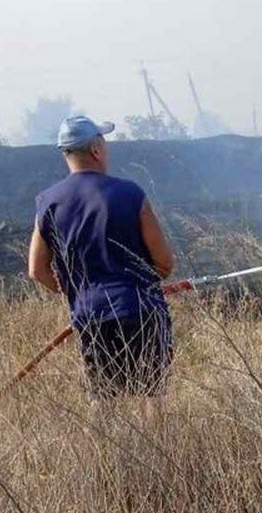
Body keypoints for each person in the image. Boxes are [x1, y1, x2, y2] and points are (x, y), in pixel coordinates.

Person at [28, 114, 177, 403]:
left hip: (89, 314)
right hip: (140, 309)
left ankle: (107, 449)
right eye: (104, 143)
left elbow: (36, 270)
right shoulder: (129, 194)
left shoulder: (47, 202)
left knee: (103, 400)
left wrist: (76, 292)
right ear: (96, 149)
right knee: (152, 396)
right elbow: (165, 262)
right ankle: (158, 447)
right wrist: (139, 283)